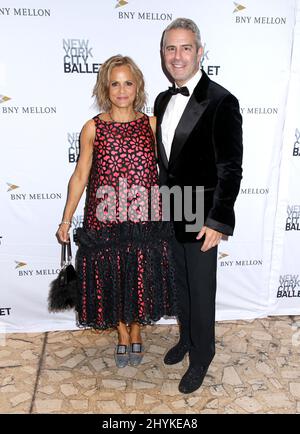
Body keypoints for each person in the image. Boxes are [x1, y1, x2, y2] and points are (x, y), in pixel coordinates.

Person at [56, 55, 177, 368]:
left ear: (137, 87)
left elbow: (170, 170)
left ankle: (137, 330)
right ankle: (122, 333)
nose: (121, 90)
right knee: (112, 277)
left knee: (140, 274)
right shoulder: (92, 128)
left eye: (128, 82)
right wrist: (66, 219)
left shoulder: (152, 125)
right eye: (115, 83)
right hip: (105, 215)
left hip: (145, 215)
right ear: (105, 88)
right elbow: (81, 174)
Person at [154, 18, 243, 393]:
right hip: (173, 209)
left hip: (203, 216)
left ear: (200, 52)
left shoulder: (222, 101)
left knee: (202, 290)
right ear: (163, 54)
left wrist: (218, 221)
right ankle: (187, 339)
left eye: (185, 47)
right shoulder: (161, 99)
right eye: (171, 48)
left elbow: (231, 169)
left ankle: (202, 356)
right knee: (181, 287)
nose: (178, 55)